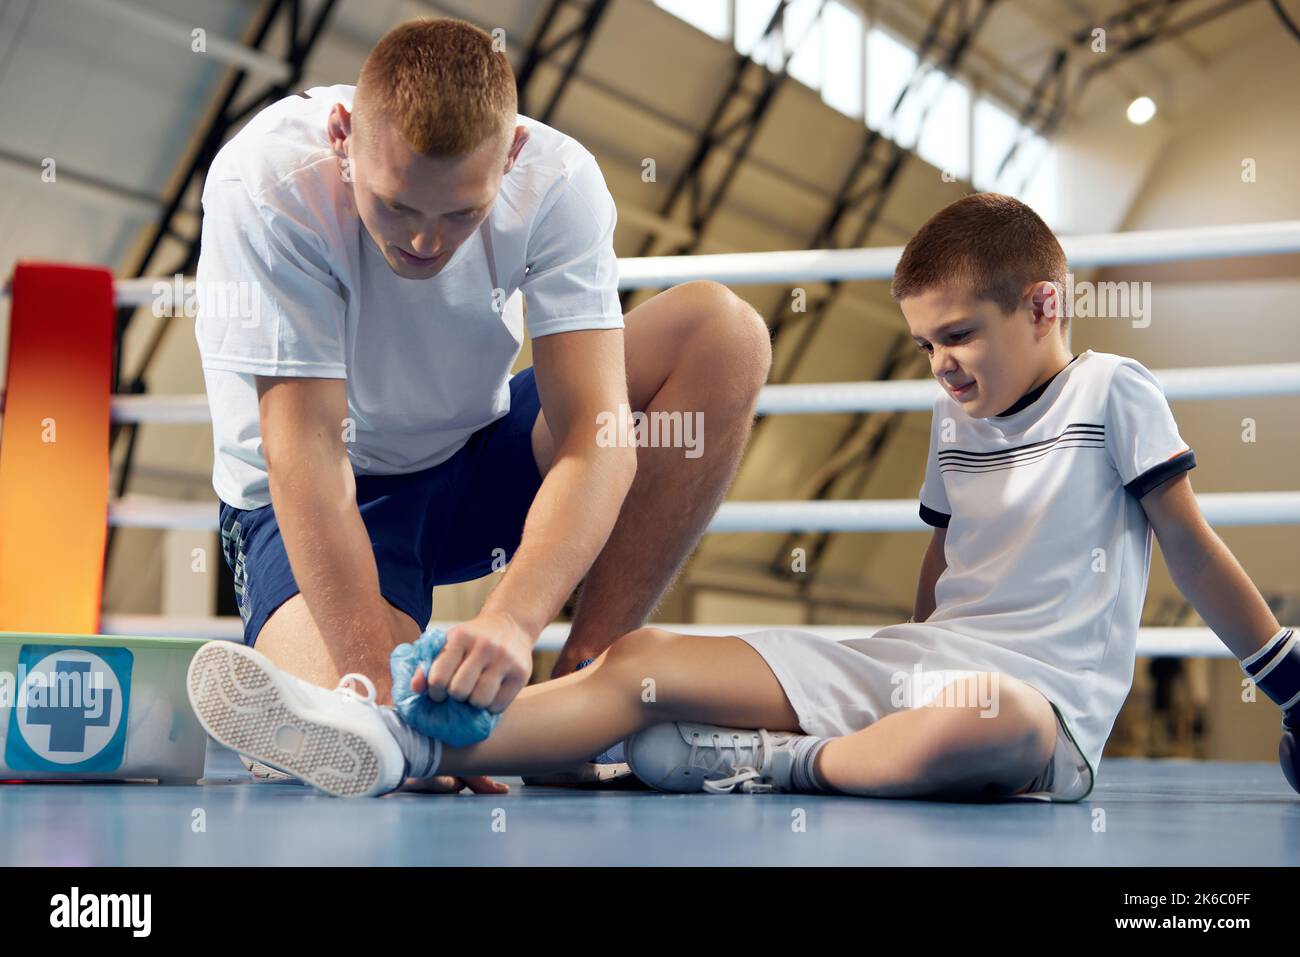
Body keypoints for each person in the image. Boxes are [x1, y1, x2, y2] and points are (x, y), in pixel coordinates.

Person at [190, 193, 1297, 802]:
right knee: (643, 662)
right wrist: (882, 669)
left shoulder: (1114, 393)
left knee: (993, 723)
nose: (941, 366)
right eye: (922, 345)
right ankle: (404, 745)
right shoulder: (955, 419)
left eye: (958, 337)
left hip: (1035, 704)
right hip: (922, 664)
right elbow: (940, 569)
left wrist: (1284, 681)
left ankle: (777, 764)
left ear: (1045, 305)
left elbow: (1190, 549)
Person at [193, 17, 772, 792]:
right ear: (341, 135)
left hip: (476, 457)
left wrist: (512, 621)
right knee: (376, 736)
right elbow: (307, 452)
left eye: (460, 214)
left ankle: (580, 700)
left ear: (513, 156)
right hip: (324, 498)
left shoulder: (559, 181)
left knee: (724, 334)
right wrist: (380, 695)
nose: (427, 244)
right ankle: (377, 726)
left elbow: (595, 441)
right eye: (398, 207)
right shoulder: (267, 183)